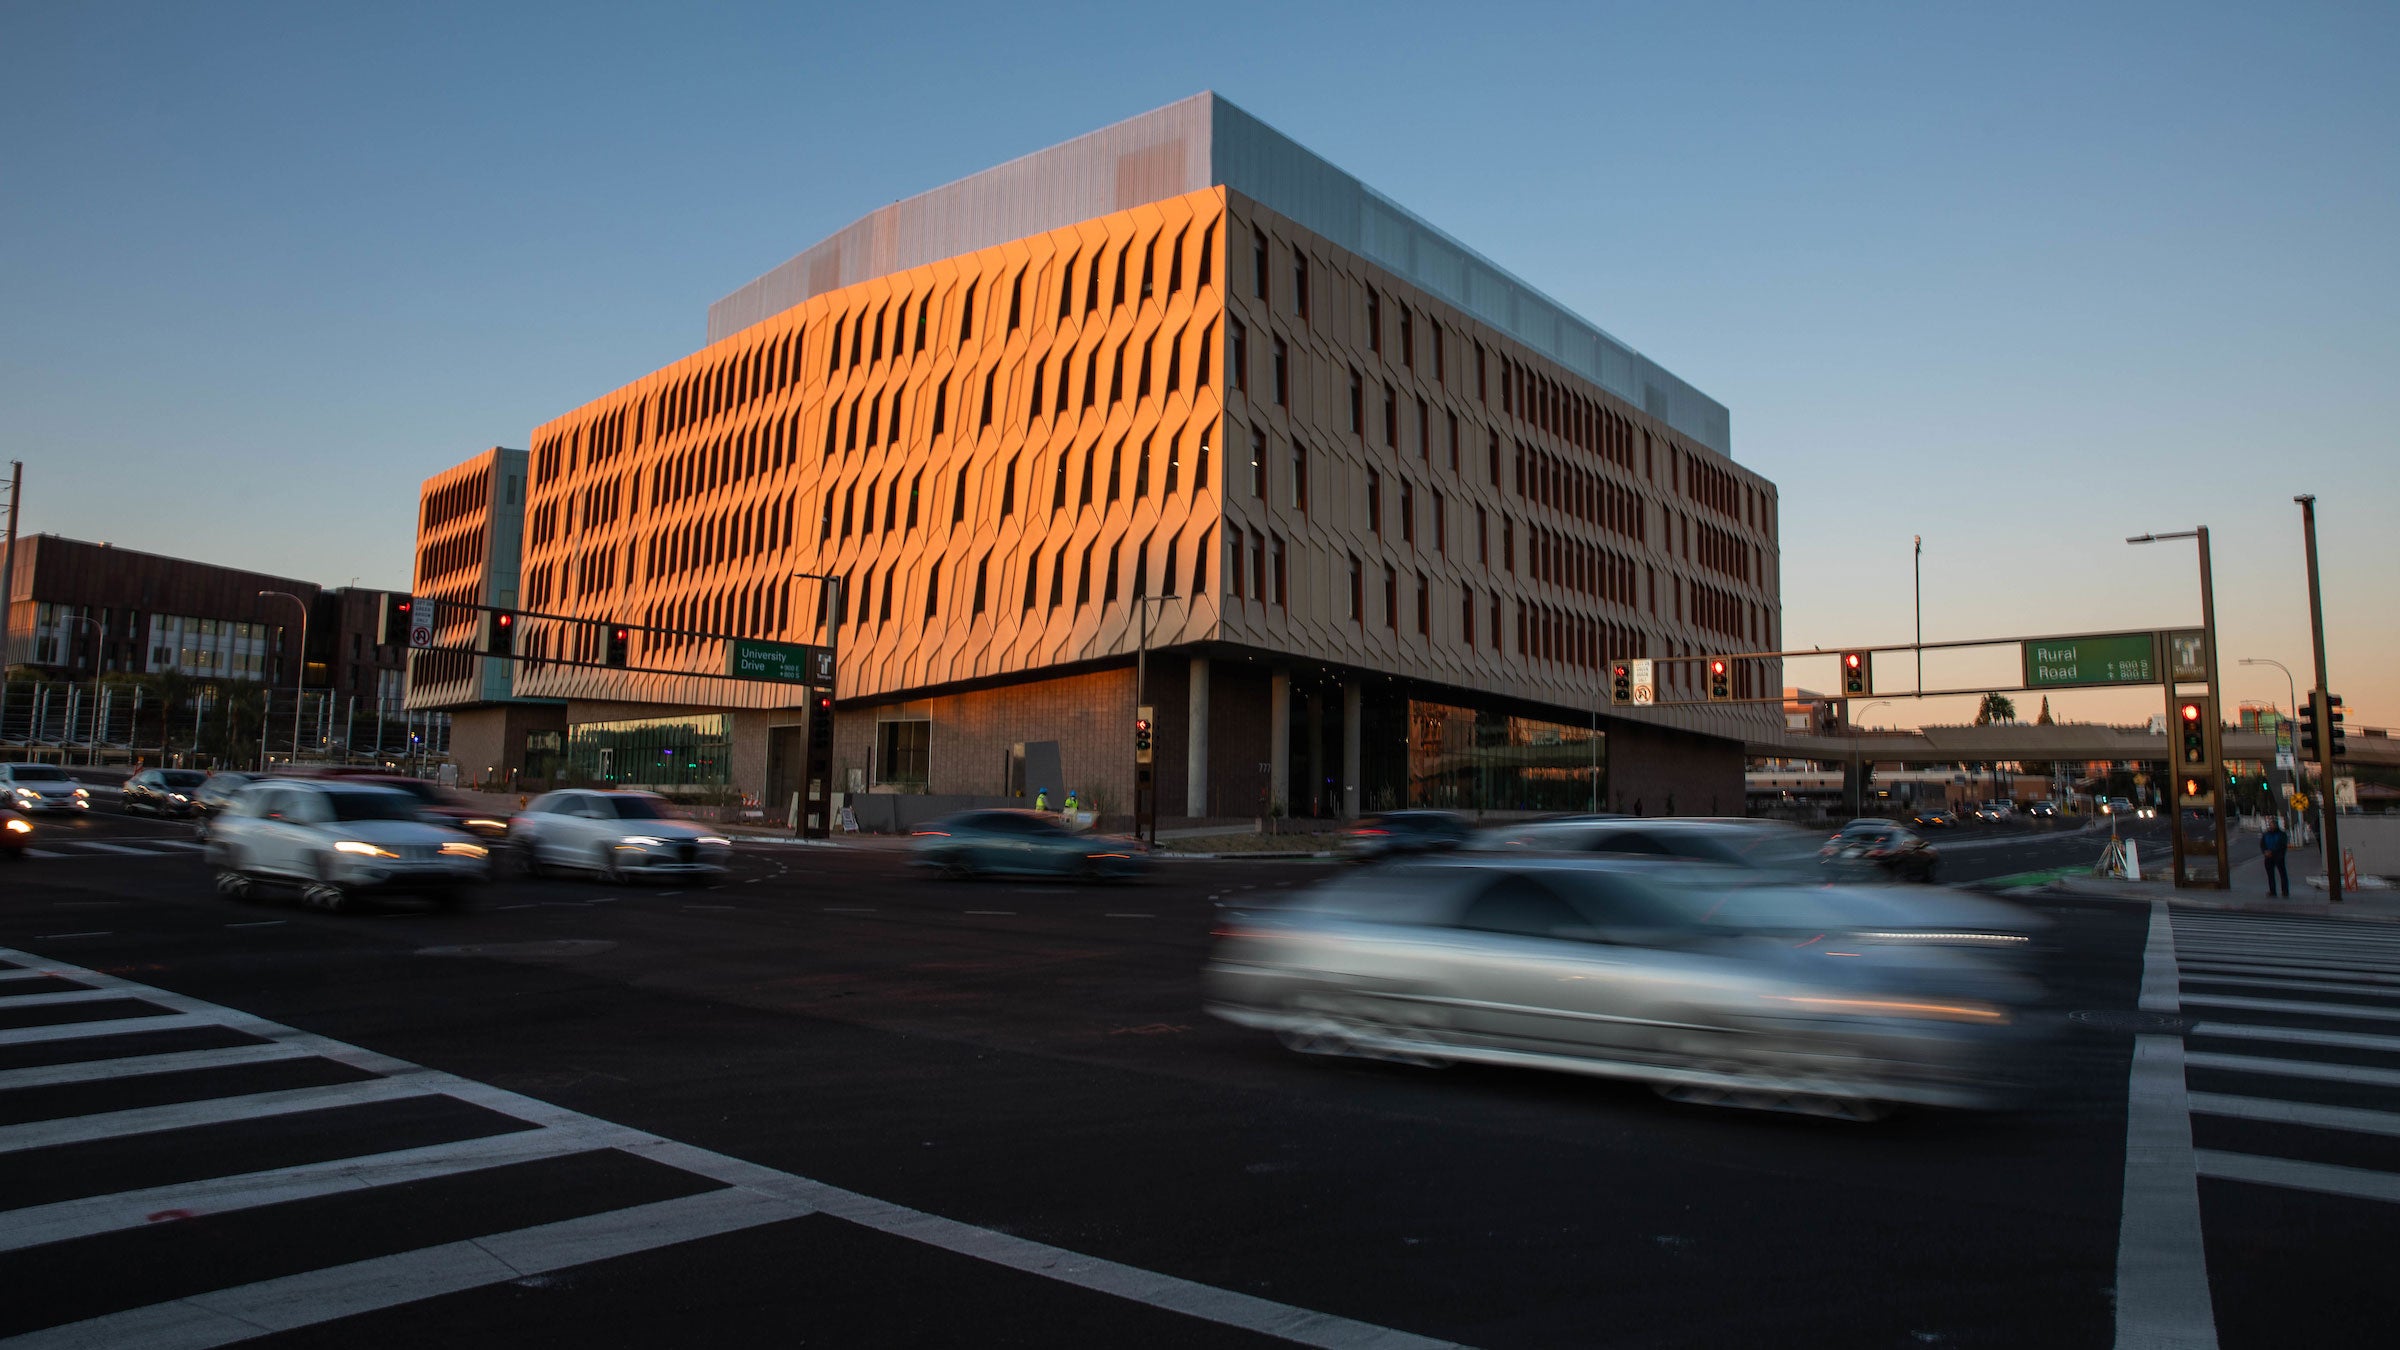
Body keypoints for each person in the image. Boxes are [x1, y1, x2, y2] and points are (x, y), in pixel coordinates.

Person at [2261, 817, 2290, 897]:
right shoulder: (2266, 834)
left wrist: (2273, 852)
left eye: (2273, 825)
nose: (2271, 826)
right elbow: (2262, 844)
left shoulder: (2281, 834)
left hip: (2278, 857)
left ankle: (2285, 891)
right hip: (2268, 857)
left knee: (2282, 874)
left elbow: (2282, 846)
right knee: (2270, 875)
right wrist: (2265, 851)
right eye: (2270, 825)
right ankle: (2272, 891)